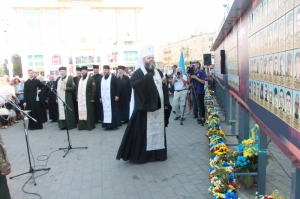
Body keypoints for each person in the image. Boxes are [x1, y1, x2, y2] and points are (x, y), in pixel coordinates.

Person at [116, 45, 171, 163]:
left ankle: (158, 154)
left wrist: (166, 102)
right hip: (144, 109)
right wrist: (147, 78)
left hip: (159, 108)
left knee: (158, 131)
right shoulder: (138, 73)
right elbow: (135, 85)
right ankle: (144, 156)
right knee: (142, 133)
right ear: (143, 60)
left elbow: (164, 86)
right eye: (148, 58)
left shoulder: (159, 72)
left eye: (152, 57)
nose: (151, 59)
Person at [100, 65, 121, 130]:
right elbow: (100, 88)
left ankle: (114, 125)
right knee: (105, 111)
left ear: (109, 70)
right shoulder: (102, 78)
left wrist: (117, 95)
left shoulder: (113, 77)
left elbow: (118, 87)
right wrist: (100, 97)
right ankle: (107, 125)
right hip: (105, 98)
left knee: (114, 111)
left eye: (106, 70)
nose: (105, 71)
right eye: (104, 70)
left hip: (112, 97)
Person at [77, 66, 96, 131]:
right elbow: (77, 89)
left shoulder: (90, 79)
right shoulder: (79, 79)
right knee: (81, 111)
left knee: (89, 111)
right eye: (82, 71)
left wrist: (92, 98)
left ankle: (90, 126)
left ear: (87, 71)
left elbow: (93, 89)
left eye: (84, 71)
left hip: (88, 98)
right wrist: (77, 97)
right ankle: (82, 126)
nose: (83, 72)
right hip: (81, 98)